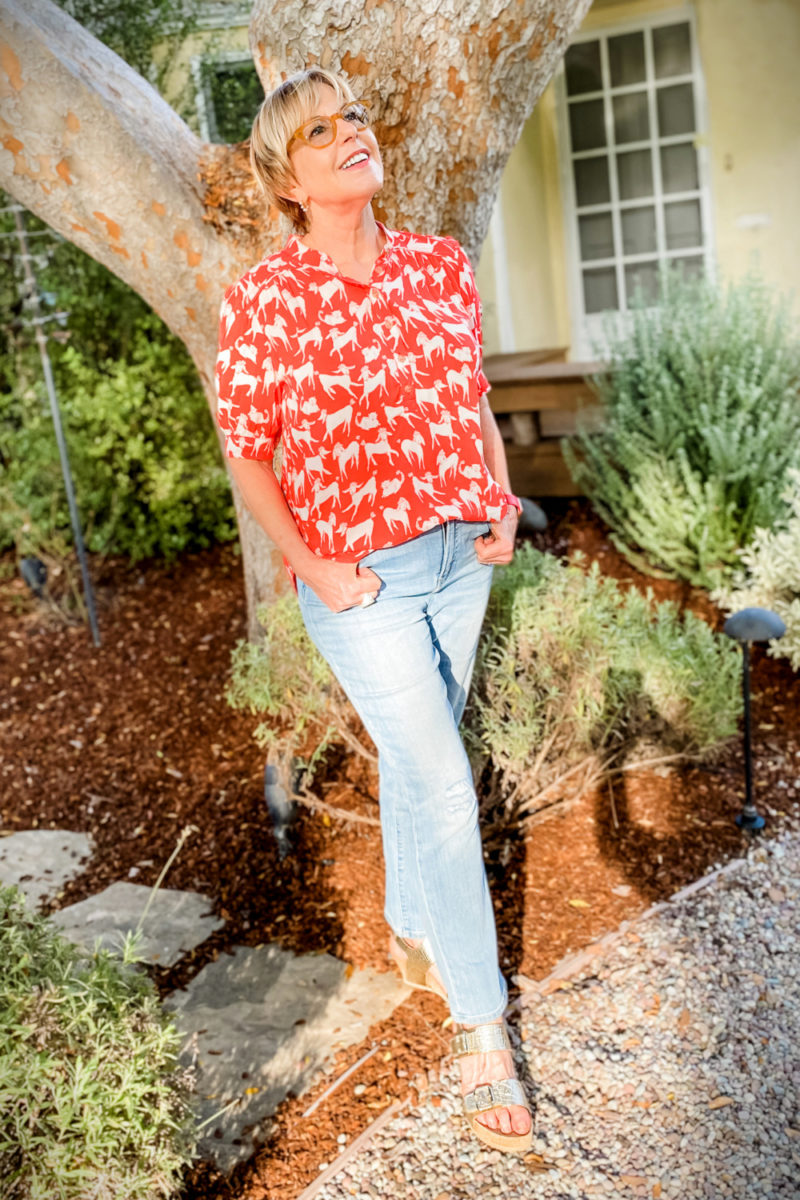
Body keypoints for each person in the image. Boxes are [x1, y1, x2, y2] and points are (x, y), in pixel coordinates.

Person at [214, 66, 532, 1153]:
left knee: (416, 756)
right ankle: (482, 1028)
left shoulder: (440, 266)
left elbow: (469, 398)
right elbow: (249, 458)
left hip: (460, 556)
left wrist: (499, 497)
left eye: (352, 118)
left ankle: (409, 926)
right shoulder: (264, 300)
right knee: (442, 774)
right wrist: (313, 561)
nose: (350, 134)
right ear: (288, 181)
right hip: (361, 582)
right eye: (319, 131)